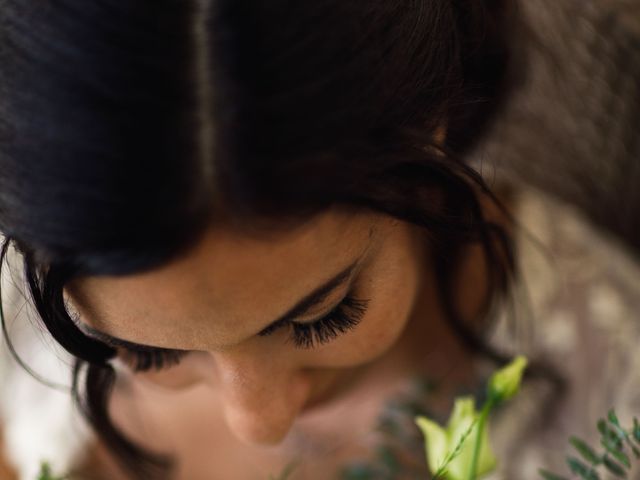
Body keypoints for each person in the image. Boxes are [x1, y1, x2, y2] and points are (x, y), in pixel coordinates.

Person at [1, 1, 639, 479]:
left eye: (323, 315)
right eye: (146, 351)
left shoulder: (613, 414)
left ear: (430, 126)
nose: (259, 421)